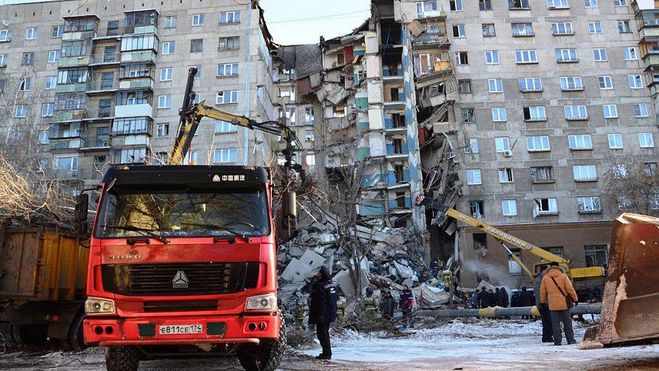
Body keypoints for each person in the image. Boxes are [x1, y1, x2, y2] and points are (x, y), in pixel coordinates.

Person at [540, 262, 579, 346]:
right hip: (564, 304)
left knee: (555, 324)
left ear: (550, 267)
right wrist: (575, 299)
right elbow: (570, 289)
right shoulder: (563, 276)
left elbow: (542, 292)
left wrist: (542, 302)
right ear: (558, 267)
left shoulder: (545, 278)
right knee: (567, 322)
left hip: (553, 305)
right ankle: (570, 339)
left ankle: (557, 341)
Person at [309, 266, 338, 359]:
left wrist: (321, 314)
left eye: (318, 272)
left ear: (322, 274)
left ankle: (326, 353)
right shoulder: (331, 284)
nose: (316, 274)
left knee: (322, 334)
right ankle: (326, 352)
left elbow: (321, 301)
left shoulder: (320, 285)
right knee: (324, 333)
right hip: (330, 313)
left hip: (323, 314)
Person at [534, 269, 553, 343]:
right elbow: (539, 293)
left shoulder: (542, 279)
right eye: (545, 271)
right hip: (543, 305)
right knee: (547, 321)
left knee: (548, 321)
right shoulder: (538, 281)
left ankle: (548, 336)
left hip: (545, 303)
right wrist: (543, 302)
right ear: (542, 272)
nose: (547, 273)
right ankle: (547, 337)